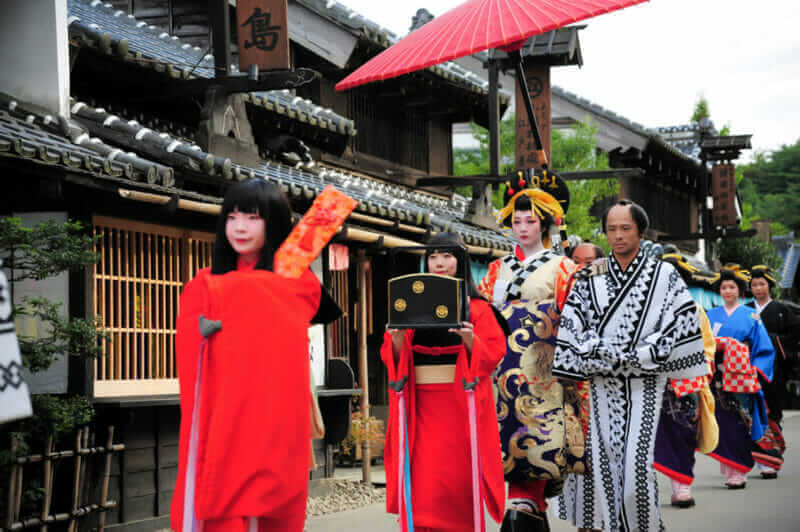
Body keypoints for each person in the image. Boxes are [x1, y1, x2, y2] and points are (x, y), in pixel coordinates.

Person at [171, 179, 341, 532]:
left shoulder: (296, 279)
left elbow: (286, 283)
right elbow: (193, 347)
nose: (240, 227)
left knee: (275, 506)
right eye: (232, 217)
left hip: (276, 416)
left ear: (275, 223)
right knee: (225, 502)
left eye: (252, 217)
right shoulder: (204, 284)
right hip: (226, 418)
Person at [552, 199, 708, 532]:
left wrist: (645, 353)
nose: (618, 236)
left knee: (637, 467)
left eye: (626, 228)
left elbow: (681, 320)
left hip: (646, 382)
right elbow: (573, 324)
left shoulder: (664, 274)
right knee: (604, 464)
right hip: (601, 382)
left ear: (640, 230)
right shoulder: (591, 274)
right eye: (612, 229)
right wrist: (596, 349)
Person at [477, 171, 586, 532]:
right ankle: (523, 502)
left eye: (531, 221)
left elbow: (575, 317)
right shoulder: (496, 269)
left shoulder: (563, 267)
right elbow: (481, 314)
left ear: (545, 225)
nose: (523, 228)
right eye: (517, 221)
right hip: (501, 364)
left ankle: (531, 499)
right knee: (502, 431)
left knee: (541, 434)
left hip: (543, 365)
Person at [382, 233, 507, 531]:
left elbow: (492, 353)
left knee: (457, 482)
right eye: (434, 256)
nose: (439, 262)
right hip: (420, 406)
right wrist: (398, 341)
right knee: (423, 483)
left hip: (459, 406)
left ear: (460, 261)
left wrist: (470, 341)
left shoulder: (477, 308)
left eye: (447, 256)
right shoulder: (411, 304)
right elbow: (392, 358)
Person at [652, 253, 719, 509]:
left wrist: (695, 366)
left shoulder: (695, 309)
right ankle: (643, 489)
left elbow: (707, 346)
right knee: (645, 434)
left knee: (683, 431)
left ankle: (682, 486)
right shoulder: (641, 308)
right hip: (650, 379)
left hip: (684, 380)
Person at [706, 266, 776, 489]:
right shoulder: (710, 315)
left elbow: (763, 347)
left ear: (739, 291)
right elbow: (702, 345)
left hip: (741, 374)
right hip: (716, 376)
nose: (727, 291)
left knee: (741, 420)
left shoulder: (751, 316)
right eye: (724, 287)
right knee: (723, 422)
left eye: (732, 287)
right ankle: (730, 468)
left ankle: (740, 469)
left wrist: (756, 370)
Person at [748, 264, 797, 478]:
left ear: (770, 286)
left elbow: (794, 336)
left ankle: (772, 459)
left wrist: (773, 341)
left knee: (771, 412)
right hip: (749, 367)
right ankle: (759, 459)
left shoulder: (782, 310)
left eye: (762, 284)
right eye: (754, 285)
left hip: (774, 369)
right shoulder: (747, 310)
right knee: (752, 413)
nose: (758, 288)